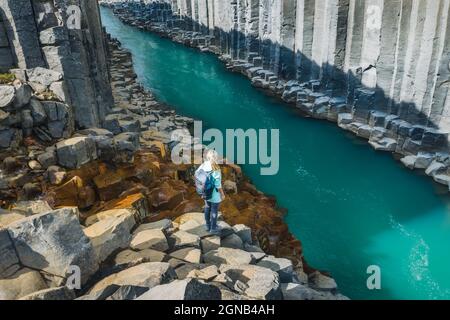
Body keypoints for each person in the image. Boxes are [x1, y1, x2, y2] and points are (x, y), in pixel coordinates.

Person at [198, 149, 225, 234]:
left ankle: (207, 225)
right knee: (214, 210)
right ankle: (213, 228)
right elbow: (217, 184)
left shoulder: (203, 165)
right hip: (214, 193)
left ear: (208, 156)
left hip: (205, 191)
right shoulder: (215, 167)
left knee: (207, 208)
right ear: (216, 157)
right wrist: (222, 194)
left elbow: (197, 175)